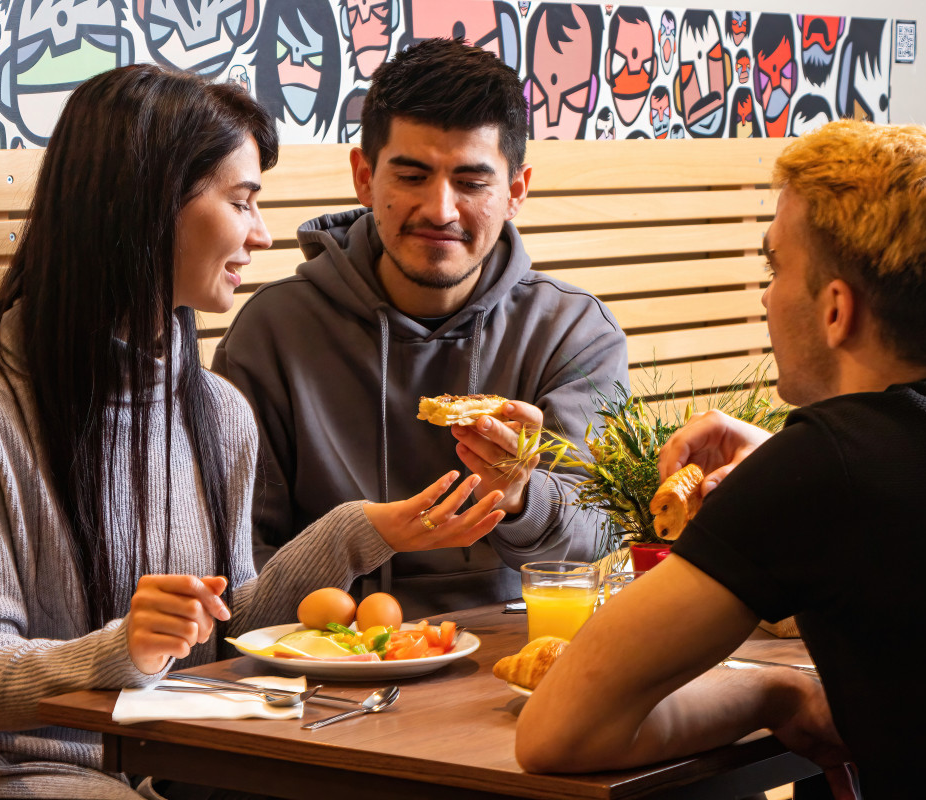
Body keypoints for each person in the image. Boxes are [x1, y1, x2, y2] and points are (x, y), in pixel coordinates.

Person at [0, 65, 502, 800]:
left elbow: (227, 627)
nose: (261, 235)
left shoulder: (217, 411)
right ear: (146, 206)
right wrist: (121, 647)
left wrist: (365, 531)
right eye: (240, 201)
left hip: (139, 761)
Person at [517, 120, 926, 798]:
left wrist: (777, 694)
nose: (767, 296)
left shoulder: (824, 470)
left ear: (837, 310)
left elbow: (557, 732)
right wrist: (784, 464)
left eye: (776, 267)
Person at [213, 38, 629, 618]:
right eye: (411, 176)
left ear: (516, 191)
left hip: (511, 656)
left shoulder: (574, 332)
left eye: (472, 182)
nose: (440, 210)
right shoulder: (272, 333)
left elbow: (604, 540)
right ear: (364, 177)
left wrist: (519, 497)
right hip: (327, 660)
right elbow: (238, 562)